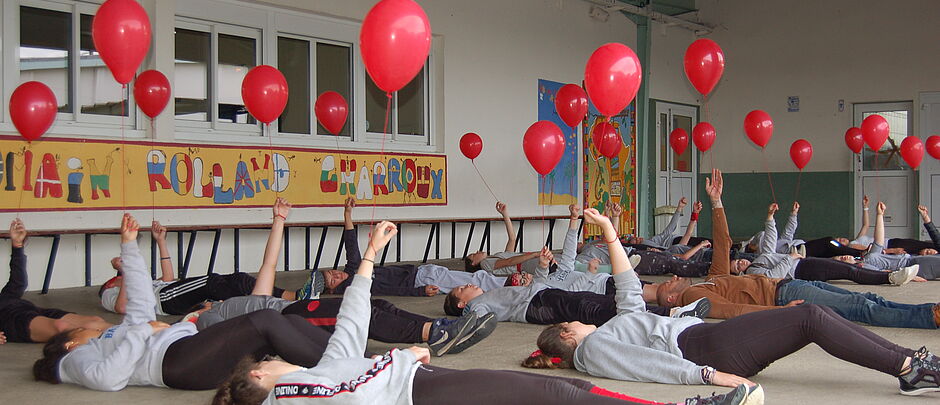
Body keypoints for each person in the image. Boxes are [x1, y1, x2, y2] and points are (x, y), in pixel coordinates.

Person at [211, 220, 761, 405]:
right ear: (258, 375)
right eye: (269, 360)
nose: (279, 358)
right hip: (417, 389)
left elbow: (348, 347)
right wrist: (394, 358)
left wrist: (370, 264)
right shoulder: (296, 392)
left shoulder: (306, 385)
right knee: (551, 394)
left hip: (419, 380)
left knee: (559, 395)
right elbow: (349, 362)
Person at [526, 170, 940, 397]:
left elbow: (628, 286)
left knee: (820, 313)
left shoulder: (616, 327)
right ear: (566, 331)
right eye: (575, 324)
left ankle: (911, 362)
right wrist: (711, 378)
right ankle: (909, 367)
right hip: (706, 349)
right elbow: (649, 365)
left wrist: (610, 234)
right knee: (812, 316)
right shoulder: (594, 348)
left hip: (709, 338)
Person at [32, 212, 341, 391]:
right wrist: (143, 332)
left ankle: (357, 359)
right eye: (80, 330)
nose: (89, 326)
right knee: (266, 321)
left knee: (289, 322)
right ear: (71, 342)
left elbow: (141, 304)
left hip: (188, 349)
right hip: (177, 363)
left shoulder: (106, 340)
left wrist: (129, 248)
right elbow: (108, 379)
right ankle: (346, 370)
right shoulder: (73, 360)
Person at [186, 198, 496, 357]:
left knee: (379, 306)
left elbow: (268, 265)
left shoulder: (247, 304)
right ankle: (437, 333)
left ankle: (441, 328)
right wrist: (196, 317)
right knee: (358, 310)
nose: (218, 300)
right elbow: (221, 341)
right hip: (291, 322)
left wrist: (278, 220)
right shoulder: (209, 319)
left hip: (285, 315)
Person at [651, 172, 940, 330]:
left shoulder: (710, 280)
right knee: (861, 308)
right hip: (783, 295)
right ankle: (929, 317)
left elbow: (724, 243)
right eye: (669, 284)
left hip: (790, 283)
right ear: (673, 297)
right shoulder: (694, 295)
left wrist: (717, 203)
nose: (672, 278)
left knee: (866, 299)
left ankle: (927, 312)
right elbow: (735, 311)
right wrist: (777, 315)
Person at [99, 214, 321, 315]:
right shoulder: (110, 293)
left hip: (170, 291)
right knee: (212, 282)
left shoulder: (140, 282)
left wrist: (161, 242)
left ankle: (290, 297)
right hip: (165, 301)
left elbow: (168, 278)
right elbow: (122, 307)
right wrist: (125, 271)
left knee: (237, 280)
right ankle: (280, 300)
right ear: (111, 283)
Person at [324, 197, 508, 296]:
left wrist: (347, 213)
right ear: (334, 289)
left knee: (475, 280)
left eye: (333, 272)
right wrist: (418, 291)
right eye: (333, 280)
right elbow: (390, 290)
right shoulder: (357, 285)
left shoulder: (353, 268)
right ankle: (512, 285)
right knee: (476, 281)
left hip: (421, 272)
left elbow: (351, 243)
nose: (337, 274)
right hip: (421, 280)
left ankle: (512, 286)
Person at [742, 202, 918, 286]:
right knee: (848, 269)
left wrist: (770, 217)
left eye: (738, 261)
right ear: (740, 272)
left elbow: (771, 239)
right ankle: (890, 277)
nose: (741, 262)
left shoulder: (762, 255)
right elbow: (774, 276)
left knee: (847, 267)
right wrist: (790, 258)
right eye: (737, 265)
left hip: (803, 259)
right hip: (801, 269)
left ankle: (888, 275)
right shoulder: (753, 271)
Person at [0, 219, 110, 344]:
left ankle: (131, 336)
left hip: (21, 306)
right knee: (61, 327)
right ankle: (115, 345)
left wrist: (17, 245)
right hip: (9, 320)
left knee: (94, 321)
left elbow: (18, 285)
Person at [854, 202, 939, 280]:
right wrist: (911, 276)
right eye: (842, 259)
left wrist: (879, 215)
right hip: (910, 267)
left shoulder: (872, 254)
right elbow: (885, 274)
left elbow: (879, 239)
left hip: (910, 260)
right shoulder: (863, 267)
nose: (845, 257)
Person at [464, 201, 542, 275]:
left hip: (528, 262)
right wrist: (534, 254)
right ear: (474, 263)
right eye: (474, 255)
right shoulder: (484, 264)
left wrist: (505, 214)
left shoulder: (496, 258)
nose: (477, 251)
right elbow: (509, 261)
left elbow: (512, 239)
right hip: (527, 265)